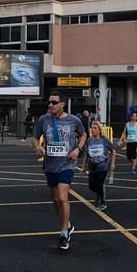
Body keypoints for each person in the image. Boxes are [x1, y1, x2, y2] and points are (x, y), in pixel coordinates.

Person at [32, 92, 86, 250]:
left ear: (62, 104)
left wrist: (78, 149)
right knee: (55, 199)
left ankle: (64, 234)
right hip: (50, 165)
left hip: (67, 164)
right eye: (49, 102)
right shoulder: (43, 119)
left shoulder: (73, 120)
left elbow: (83, 135)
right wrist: (38, 147)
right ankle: (67, 223)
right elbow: (35, 137)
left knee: (63, 197)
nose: (50, 105)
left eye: (54, 102)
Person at [81, 121, 115, 211]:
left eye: (95, 128)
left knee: (100, 184)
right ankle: (99, 194)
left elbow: (113, 151)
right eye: (92, 128)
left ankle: (103, 202)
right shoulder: (89, 141)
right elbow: (86, 154)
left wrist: (112, 163)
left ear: (99, 130)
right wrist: (83, 166)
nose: (92, 130)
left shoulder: (104, 140)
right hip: (92, 167)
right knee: (91, 186)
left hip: (103, 166)